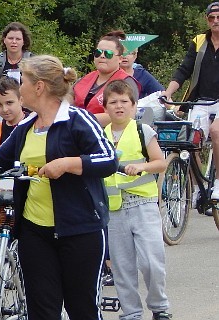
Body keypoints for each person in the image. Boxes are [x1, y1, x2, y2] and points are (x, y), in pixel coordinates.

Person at [0, 55, 117, 320]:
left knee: (82, 309)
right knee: (41, 310)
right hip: (35, 233)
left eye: (22, 82)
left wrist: (68, 163)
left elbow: (109, 159)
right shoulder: (26, 126)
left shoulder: (78, 121)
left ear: (39, 87)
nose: (19, 88)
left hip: (80, 231)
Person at [102, 80, 172, 320]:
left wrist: (141, 166)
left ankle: (159, 307)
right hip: (114, 210)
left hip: (143, 205)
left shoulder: (143, 130)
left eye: (124, 102)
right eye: (113, 102)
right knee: (122, 268)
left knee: (152, 262)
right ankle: (131, 312)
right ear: (106, 107)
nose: (119, 107)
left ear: (133, 106)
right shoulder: (100, 136)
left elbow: (160, 162)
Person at [163, 2, 219, 200]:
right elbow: (184, 70)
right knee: (189, 140)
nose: (215, 21)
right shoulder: (199, 41)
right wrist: (168, 94)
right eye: (211, 18)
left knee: (216, 131)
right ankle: (197, 189)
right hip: (200, 100)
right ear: (206, 19)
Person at [73, 30, 140, 126]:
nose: (102, 56)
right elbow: (66, 99)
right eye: (98, 53)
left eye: (108, 54)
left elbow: (128, 115)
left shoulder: (127, 82)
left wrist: (82, 120)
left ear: (120, 59)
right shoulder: (84, 79)